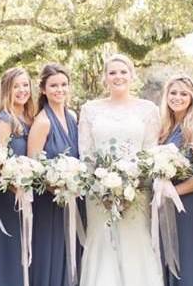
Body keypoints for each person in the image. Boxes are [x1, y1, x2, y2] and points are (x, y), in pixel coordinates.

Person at [78, 53, 163, 286]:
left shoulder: (148, 110)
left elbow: (150, 152)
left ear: (132, 75)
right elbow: (86, 154)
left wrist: (132, 185)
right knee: (103, 243)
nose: (118, 76)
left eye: (123, 72)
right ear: (105, 78)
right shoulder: (90, 109)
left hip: (137, 191)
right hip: (98, 193)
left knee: (135, 242)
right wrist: (101, 187)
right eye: (112, 72)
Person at [28, 63, 80, 286]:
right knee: (50, 253)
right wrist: (58, 188)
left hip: (73, 199)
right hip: (49, 202)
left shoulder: (72, 116)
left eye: (63, 84)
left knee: (71, 252)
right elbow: (33, 168)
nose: (59, 90)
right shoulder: (42, 122)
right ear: (43, 90)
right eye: (53, 86)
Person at [158, 75, 193, 286]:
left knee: (188, 260)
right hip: (168, 204)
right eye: (173, 93)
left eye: (183, 94)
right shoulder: (166, 128)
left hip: (189, 206)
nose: (177, 97)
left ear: (192, 98)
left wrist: (175, 192)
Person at [0, 67, 35, 286]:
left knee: (24, 250)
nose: (22, 90)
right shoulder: (5, 120)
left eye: (25, 85)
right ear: (7, 90)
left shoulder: (28, 117)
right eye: (16, 86)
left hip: (25, 193)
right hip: (8, 196)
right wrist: (15, 182)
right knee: (11, 250)